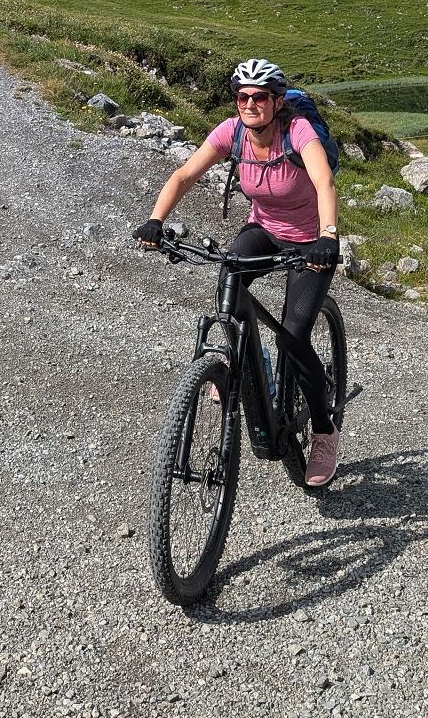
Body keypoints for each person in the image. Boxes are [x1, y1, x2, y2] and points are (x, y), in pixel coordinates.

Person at [133, 57, 343, 488]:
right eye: (242, 96)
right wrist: (156, 219)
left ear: (277, 101)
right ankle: (249, 366)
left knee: (294, 333)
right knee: (229, 279)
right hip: (263, 229)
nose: (249, 104)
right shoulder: (231, 132)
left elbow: (323, 181)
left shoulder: (296, 131)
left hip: (308, 241)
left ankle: (324, 430)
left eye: (259, 97)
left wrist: (328, 236)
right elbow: (185, 174)